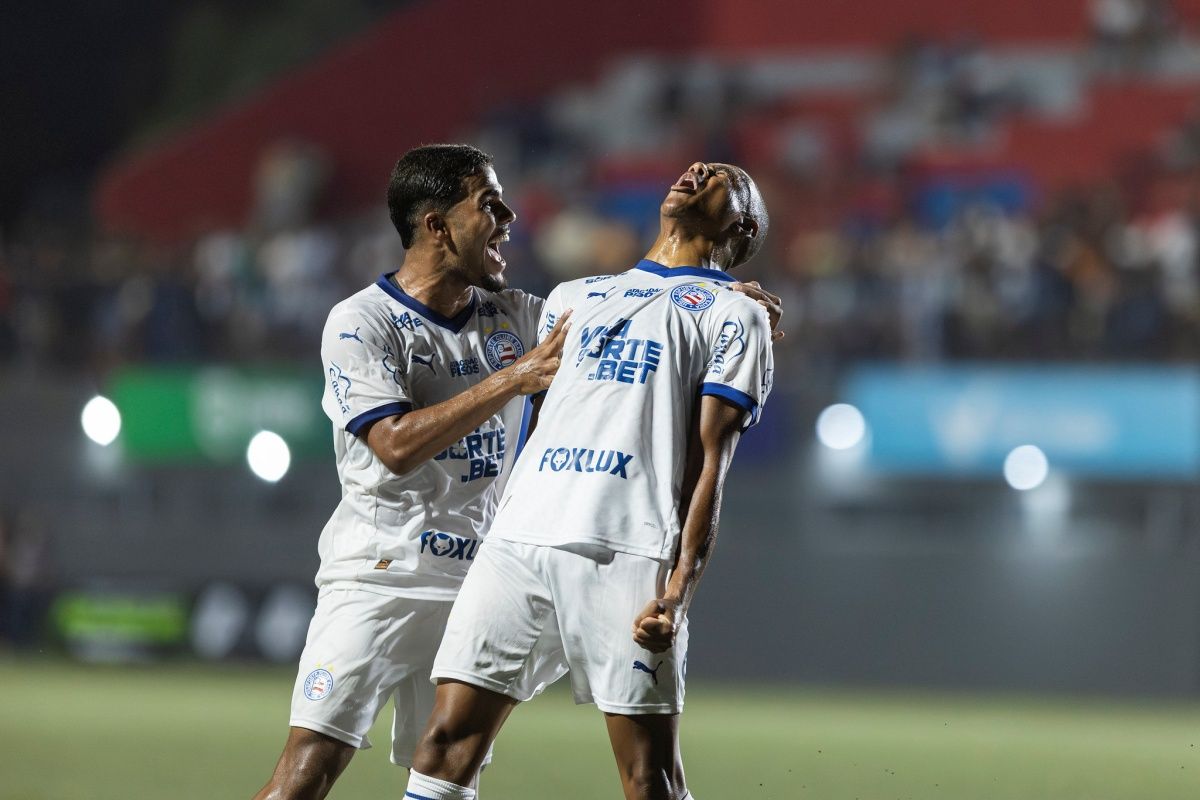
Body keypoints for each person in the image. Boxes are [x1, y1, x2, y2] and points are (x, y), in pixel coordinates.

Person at [254, 147, 782, 800]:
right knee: (309, 769)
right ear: (436, 225)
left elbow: (637, 314)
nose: (508, 218)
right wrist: (515, 377)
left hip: (489, 568)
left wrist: (729, 296)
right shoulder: (362, 321)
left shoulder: (528, 314)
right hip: (381, 571)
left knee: (456, 768)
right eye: (489, 203)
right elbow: (391, 445)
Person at [405, 161, 775, 800]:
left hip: (625, 552)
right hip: (519, 542)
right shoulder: (574, 295)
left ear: (739, 223)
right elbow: (535, 422)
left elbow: (711, 462)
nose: (698, 169)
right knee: (444, 742)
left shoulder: (733, 317)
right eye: (698, 166)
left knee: (647, 775)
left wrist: (679, 590)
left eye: (722, 177)